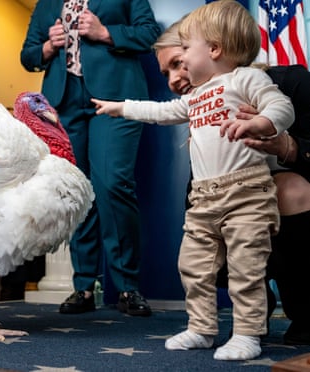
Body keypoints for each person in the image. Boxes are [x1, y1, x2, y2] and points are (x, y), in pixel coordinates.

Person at [92, 0, 294, 360]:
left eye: (186, 48)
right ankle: (201, 328)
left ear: (214, 49)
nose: (182, 59)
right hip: (204, 199)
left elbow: (281, 106)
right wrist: (121, 107)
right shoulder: (196, 96)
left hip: (246, 191)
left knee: (245, 267)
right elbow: (162, 112)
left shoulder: (246, 78)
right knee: (193, 265)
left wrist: (260, 123)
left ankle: (247, 333)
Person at [155, 18, 310, 347]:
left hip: (291, 200)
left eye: (178, 64)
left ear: (214, 49)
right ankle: (252, 312)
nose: (173, 80)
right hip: (233, 209)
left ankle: (305, 311)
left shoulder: (292, 83)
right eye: (166, 73)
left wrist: (290, 148)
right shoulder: (201, 109)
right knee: (203, 226)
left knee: (289, 188)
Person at [20, 0, 161, 316]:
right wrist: (46, 46)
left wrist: (106, 32)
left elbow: (150, 33)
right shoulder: (47, 4)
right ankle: (83, 286)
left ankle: (127, 287)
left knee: (113, 183)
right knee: (76, 192)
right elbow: (28, 55)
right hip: (64, 104)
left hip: (114, 98)